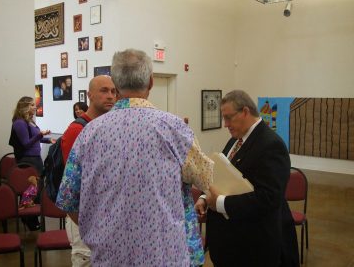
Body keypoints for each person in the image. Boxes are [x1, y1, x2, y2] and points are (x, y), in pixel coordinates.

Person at [56, 49, 213, 266]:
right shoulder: (174, 129)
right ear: (150, 82)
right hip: (166, 256)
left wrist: (98, 231)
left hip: (109, 257)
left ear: (117, 86)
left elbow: (69, 199)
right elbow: (207, 180)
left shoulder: (89, 134)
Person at [195, 90, 299, 267]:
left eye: (229, 118)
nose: (225, 124)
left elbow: (269, 198)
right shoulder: (236, 140)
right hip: (230, 245)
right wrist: (205, 197)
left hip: (252, 248)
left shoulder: (271, 145)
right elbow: (223, 177)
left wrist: (218, 203)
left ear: (245, 111)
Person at [61, 75, 116, 267]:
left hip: (105, 215)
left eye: (113, 91)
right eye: (104, 91)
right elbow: (74, 183)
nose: (110, 96)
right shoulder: (77, 130)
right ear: (89, 95)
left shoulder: (108, 127)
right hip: (83, 216)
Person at [10, 96, 54, 230]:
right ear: (25, 107)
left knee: (37, 189)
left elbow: (34, 140)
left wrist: (48, 140)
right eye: (32, 105)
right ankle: (28, 218)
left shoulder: (30, 122)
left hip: (35, 158)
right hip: (27, 160)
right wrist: (40, 135)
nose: (35, 107)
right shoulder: (19, 123)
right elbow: (26, 143)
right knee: (32, 190)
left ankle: (33, 219)